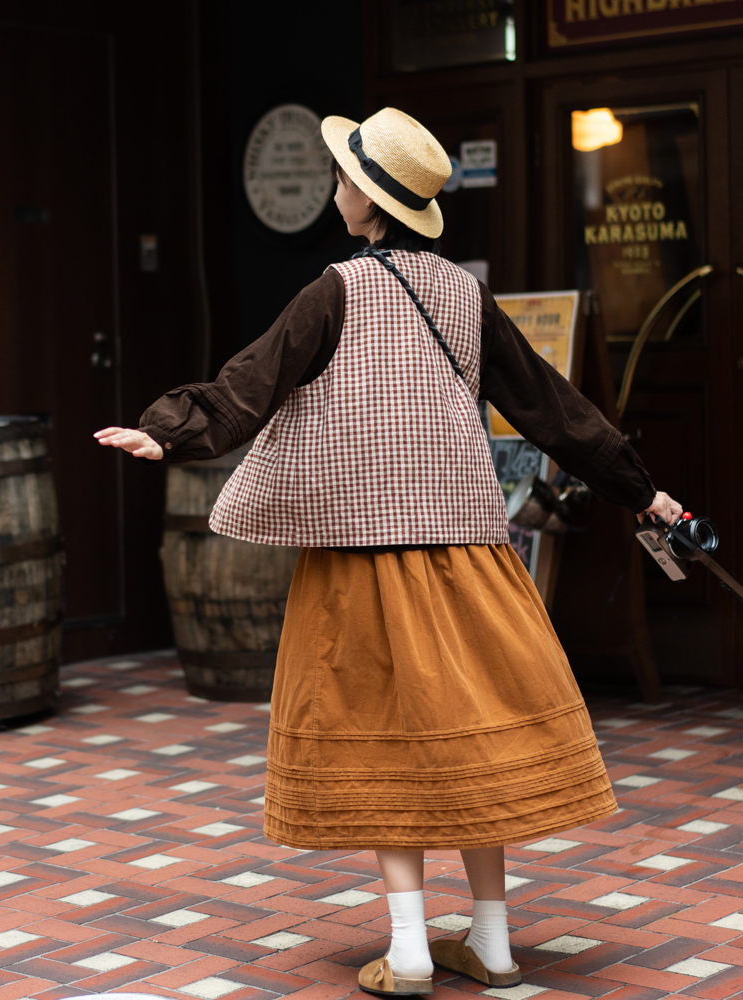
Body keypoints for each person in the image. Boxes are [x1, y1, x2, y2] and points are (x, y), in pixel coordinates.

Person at [95, 107, 681, 997]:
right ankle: (491, 941)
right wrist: (644, 491)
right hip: (472, 558)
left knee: (384, 746)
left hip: (361, 560)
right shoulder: (462, 291)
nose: (336, 187)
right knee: (472, 737)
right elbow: (552, 408)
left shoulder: (332, 290)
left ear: (368, 195)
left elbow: (251, 384)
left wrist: (165, 433)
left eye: (343, 174)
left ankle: (409, 946)